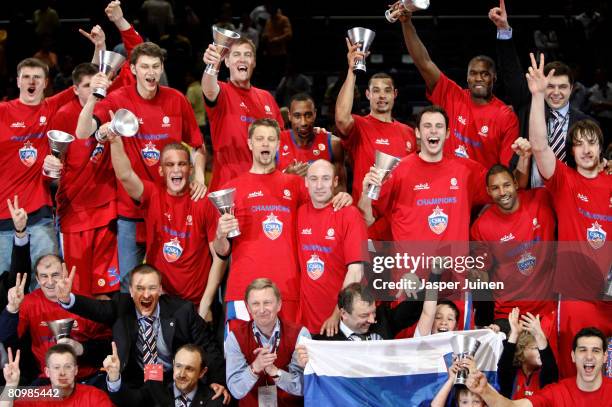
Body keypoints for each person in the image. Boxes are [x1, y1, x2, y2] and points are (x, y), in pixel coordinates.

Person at [75, 42, 206, 292]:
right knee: (129, 283)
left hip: (172, 209)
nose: (151, 72)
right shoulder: (117, 99)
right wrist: (94, 95)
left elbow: (199, 146)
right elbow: (82, 132)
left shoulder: (176, 99)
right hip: (131, 210)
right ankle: (132, 331)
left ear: (162, 68)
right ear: (133, 69)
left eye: (156, 67)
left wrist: (199, 177)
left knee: (170, 281)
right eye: (144, 66)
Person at [212, 118, 352, 324]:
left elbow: (323, 210)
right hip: (243, 291)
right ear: (250, 143)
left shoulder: (296, 185)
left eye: (271, 139)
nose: (265, 144)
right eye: (259, 139)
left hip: (288, 291)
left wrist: (342, 197)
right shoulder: (232, 189)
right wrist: (220, 233)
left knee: (290, 357)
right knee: (243, 356)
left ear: (278, 145)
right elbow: (222, 251)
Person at [526, 52, 611, 378]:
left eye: (593, 144)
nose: (587, 150)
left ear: (601, 149)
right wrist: (537, 98)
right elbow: (540, 146)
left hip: (610, 300)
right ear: (571, 151)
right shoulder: (564, 181)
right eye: (580, 144)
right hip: (575, 297)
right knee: (570, 376)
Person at [55, 264, 227, 395]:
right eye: (140, 288)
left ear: (160, 290)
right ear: (130, 291)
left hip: (174, 381)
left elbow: (208, 347)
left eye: (152, 288)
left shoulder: (182, 311)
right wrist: (68, 298)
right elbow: (96, 308)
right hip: (135, 383)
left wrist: (217, 381)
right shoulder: (121, 306)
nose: (146, 295)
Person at [107, 126, 225, 316]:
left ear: (191, 169)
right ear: (161, 171)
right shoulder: (153, 195)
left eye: (182, 164)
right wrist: (114, 141)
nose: (176, 169)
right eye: (170, 165)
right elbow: (125, 175)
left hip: (195, 308)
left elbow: (219, 258)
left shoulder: (204, 202)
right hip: (160, 306)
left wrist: (206, 304)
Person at [397, 5, 518, 169]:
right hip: (447, 188)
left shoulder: (505, 116)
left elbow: (506, 170)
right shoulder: (452, 95)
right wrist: (407, 23)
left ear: (494, 78)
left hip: (481, 192)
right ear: (467, 78)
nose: (478, 78)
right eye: (473, 73)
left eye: (485, 74)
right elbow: (424, 63)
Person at [488, 0, 593, 187]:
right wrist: (504, 30)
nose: (556, 92)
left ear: (572, 88)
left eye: (562, 87)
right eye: (550, 86)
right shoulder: (529, 107)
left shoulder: (584, 123)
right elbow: (511, 74)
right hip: (532, 194)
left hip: (570, 197)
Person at [46, 62, 119, 297]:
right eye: (87, 85)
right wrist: (51, 167)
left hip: (106, 208)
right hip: (74, 212)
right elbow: (51, 161)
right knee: (76, 285)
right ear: (76, 89)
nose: (92, 89)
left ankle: (105, 333)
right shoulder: (64, 115)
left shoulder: (110, 107)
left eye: (96, 84)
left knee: (104, 285)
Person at [0, 58, 74, 275]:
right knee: (4, 289)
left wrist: (99, 49)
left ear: (45, 82)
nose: (31, 81)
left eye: (37, 77)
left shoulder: (52, 108)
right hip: (2, 216)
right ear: (18, 81)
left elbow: (87, 83)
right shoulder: (3, 111)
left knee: (47, 282)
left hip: (38, 213)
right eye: (26, 77)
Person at [470, 163, 557, 330]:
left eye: (507, 185)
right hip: (508, 316)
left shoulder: (542, 199)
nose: (502, 193)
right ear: (488, 191)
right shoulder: (481, 227)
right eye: (495, 188)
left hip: (546, 312)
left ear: (516, 184)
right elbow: (481, 276)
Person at [335, 39, 416, 201]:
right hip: (367, 216)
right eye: (376, 91)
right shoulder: (359, 125)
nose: (381, 96)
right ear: (368, 95)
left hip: (399, 216)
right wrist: (352, 71)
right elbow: (341, 119)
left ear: (395, 94)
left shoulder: (408, 132)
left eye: (387, 91)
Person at [202, 36, 284, 192]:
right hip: (228, 187)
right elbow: (208, 87)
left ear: (253, 62)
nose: (242, 59)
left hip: (263, 187)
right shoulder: (222, 91)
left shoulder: (266, 98)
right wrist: (212, 64)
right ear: (226, 61)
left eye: (247, 55)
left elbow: (282, 140)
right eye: (236, 54)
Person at [297, 159, 367, 335]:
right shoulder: (298, 213)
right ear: (306, 182)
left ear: (335, 182)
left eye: (325, 179)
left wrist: (337, 313)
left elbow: (356, 272)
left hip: (342, 321)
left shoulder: (350, 214)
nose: (319, 185)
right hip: (307, 323)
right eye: (313, 179)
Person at [466, 327, 612, 406]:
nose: (589, 356)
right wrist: (484, 391)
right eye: (583, 350)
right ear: (573, 356)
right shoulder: (557, 392)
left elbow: (549, 366)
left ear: (605, 357)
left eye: (596, 350)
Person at [225, 278, 310, 405]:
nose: (262, 309)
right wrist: (255, 368)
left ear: (279, 305)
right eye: (255, 304)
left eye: (267, 302)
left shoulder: (300, 334)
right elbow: (236, 390)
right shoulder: (235, 338)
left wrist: (276, 372)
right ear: (248, 307)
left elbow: (305, 387)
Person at [106, 342, 224, 406]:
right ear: (173, 364)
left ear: (202, 372)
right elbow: (128, 402)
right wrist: (114, 376)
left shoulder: (215, 400)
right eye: (178, 366)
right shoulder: (155, 386)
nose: (181, 374)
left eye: (189, 369)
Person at [1, 344, 114, 406]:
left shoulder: (94, 396)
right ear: (47, 372)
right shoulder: (35, 396)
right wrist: (10, 384)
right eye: (56, 367)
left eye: (68, 366)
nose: (62, 372)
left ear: (76, 371)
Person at [278, 93, 345, 189]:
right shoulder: (276, 143)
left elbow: (340, 187)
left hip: (321, 203)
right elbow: (265, 184)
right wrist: (285, 176)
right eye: (297, 116)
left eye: (308, 115)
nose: (303, 122)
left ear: (315, 114)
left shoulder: (333, 144)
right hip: (286, 202)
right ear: (289, 116)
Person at [497, 308, 558, 399]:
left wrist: (539, 336)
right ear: (521, 351)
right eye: (535, 348)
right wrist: (514, 334)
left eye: (540, 348)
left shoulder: (545, 375)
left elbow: (550, 366)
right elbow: (504, 364)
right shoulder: (511, 374)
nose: (541, 352)